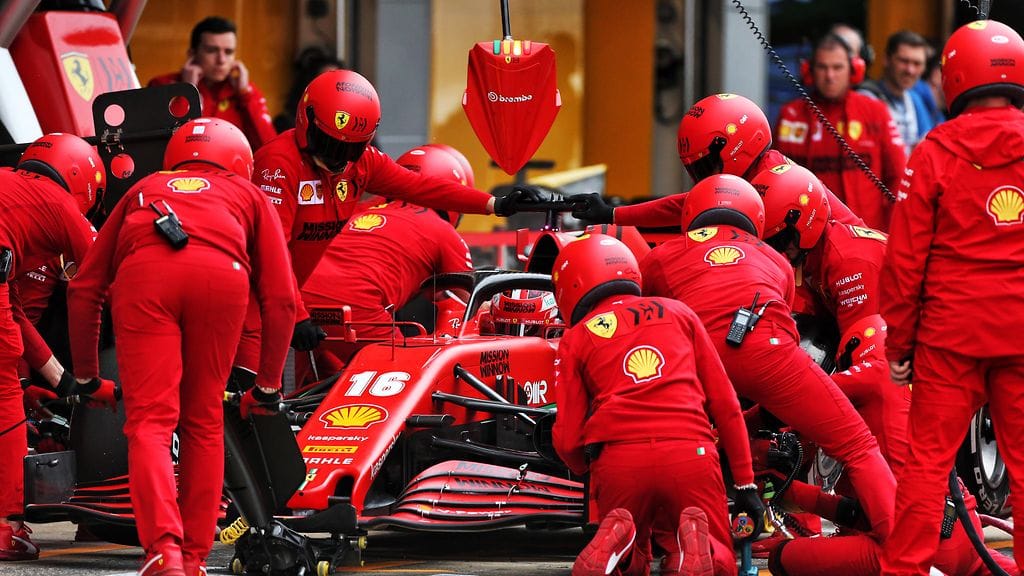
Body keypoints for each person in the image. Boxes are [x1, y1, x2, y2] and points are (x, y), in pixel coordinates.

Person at [67, 118, 296, 576]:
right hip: (222, 280)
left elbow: (84, 288)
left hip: (146, 279)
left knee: (150, 424)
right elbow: (282, 299)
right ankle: (192, 559)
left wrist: (88, 377)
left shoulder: (144, 188)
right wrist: (268, 388)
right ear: (240, 161)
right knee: (204, 421)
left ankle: (163, 553)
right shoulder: (249, 194)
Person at [641, 174, 896, 541]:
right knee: (856, 445)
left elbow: (650, 326)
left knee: (680, 443)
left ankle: (674, 538)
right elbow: (791, 336)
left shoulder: (659, 256)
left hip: (697, 358)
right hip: (770, 350)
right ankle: (899, 545)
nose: (778, 246)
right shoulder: (776, 260)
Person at [236, 69, 535, 380]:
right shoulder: (278, 164)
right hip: (269, 299)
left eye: (350, 149)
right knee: (407, 376)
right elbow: (271, 250)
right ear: (307, 120)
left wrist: (495, 204)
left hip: (299, 301)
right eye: (328, 144)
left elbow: (421, 186)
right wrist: (295, 314)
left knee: (299, 396)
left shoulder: (364, 172)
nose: (337, 159)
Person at [879, 19, 1024, 576]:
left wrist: (899, 344)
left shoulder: (935, 150)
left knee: (926, 467)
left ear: (955, 76)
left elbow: (903, 259)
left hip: (948, 339)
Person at [551, 233, 761, 576]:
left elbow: (568, 437)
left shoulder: (576, 337)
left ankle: (621, 550)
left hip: (621, 459)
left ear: (571, 285)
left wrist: (583, 467)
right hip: (690, 450)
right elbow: (726, 404)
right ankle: (692, 551)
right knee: (718, 559)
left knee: (633, 562)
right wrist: (745, 482)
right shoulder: (680, 313)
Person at [0, 133, 111, 561]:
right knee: (3, 392)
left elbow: (14, 312)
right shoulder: (61, 205)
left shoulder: (11, 189)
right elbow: (108, 280)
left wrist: (63, 383)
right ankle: (6, 526)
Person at [297, 144, 476, 382]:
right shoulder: (443, 231)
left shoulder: (358, 210)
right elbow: (470, 305)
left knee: (314, 391)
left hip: (302, 302)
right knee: (410, 380)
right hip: (357, 307)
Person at [570, 93, 866, 231]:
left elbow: (686, 206)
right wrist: (612, 214)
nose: (703, 176)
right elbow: (688, 204)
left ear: (733, 148)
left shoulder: (772, 181)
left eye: (705, 165)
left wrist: (613, 214)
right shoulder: (751, 177)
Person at [775, 34, 906, 231]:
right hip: (812, 236)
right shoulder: (790, 116)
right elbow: (779, 180)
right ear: (809, 70)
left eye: (837, 67)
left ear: (854, 70)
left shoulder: (876, 111)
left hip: (870, 236)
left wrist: (893, 232)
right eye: (822, 67)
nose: (830, 76)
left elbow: (898, 176)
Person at [752, 163, 886, 336]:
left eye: (781, 239)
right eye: (771, 243)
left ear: (803, 223)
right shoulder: (812, 257)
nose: (780, 249)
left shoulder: (847, 264)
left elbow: (863, 341)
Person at [148, 16, 277, 150]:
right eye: (212, 51)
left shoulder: (244, 92)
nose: (221, 60)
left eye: (228, 52)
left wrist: (245, 95)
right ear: (192, 54)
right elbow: (163, 146)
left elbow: (270, 148)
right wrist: (186, 91)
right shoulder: (162, 85)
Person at [858, 30, 937, 155]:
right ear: (886, 59)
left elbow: (928, 142)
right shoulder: (865, 98)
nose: (910, 70)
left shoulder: (914, 99)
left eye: (917, 64)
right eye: (904, 61)